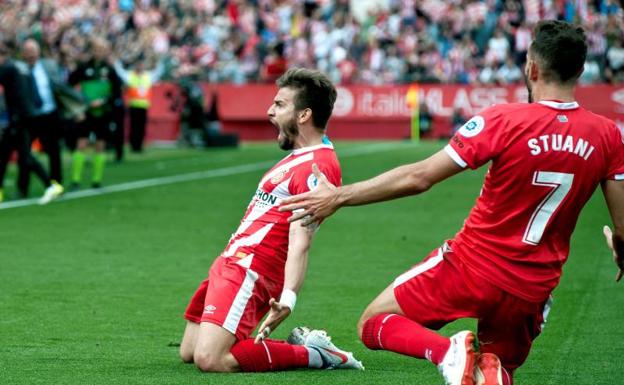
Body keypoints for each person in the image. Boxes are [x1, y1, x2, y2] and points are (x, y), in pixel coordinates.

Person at [280, 20, 624, 385]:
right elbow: (622, 227)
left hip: (471, 266)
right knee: (493, 373)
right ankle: (470, 361)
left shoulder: (503, 119)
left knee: (374, 323)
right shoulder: (607, 135)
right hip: (531, 290)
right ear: (581, 70)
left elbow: (421, 177)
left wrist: (339, 195)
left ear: (532, 67)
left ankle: (449, 352)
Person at [179, 68, 363, 373]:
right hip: (231, 263)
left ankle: (316, 354)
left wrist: (288, 298)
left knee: (210, 359)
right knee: (190, 352)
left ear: (303, 115)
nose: (269, 111)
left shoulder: (317, 167)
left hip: (252, 270)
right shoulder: (299, 157)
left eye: (279, 105)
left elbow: (300, 241)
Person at [0, 44, 62, 205]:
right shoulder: (19, 67)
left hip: (19, 118)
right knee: (9, 154)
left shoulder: (7, 68)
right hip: (27, 115)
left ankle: (50, 185)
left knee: (22, 156)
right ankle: (49, 185)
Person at [68, 37, 123, 189]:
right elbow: (69, 85)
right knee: (81, 143)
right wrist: (80, 104)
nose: (99, 52)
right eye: (96, 49)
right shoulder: (83, 68)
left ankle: (97, 180)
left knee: (100, 144)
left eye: (102, 49)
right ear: (92, 51)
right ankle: (75, 180)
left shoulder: (110, 70)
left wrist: (104, 101)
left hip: (103, 113)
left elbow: (117, 92)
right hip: (86, 113)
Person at [112, 55, 164, 153]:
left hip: (144, 106)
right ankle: (134, 145)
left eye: (141, 65)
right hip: (133, 105)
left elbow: (158, 71)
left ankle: (139, 145)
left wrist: (158, 61)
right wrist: (117, 62)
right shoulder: (130, 75)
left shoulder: (148, 76)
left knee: (141, 127)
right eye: (138, 65)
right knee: (134, 126)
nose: (140, 67)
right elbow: (120, 72)